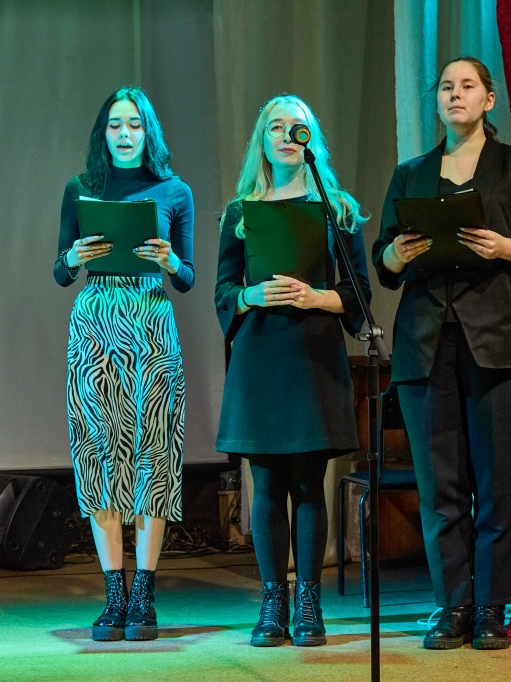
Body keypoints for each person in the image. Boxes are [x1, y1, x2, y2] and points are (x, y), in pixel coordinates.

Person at [372, 57, 511, 651]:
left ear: (489, 99)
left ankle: (490, 607)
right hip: (426, 342)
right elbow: (383, 259)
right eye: (447, 87)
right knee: (440, 487)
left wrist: (504, 246)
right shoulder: (411, 174)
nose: (455, 95)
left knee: (498, 483)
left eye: (467, 86)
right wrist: (398, 254)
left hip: (503, 342)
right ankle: (451, 604)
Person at [215, 94, 371, 647]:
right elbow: (223, 291)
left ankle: (308, 602)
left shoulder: (336, 208)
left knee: (308, 482)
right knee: (266, 483)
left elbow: (358, 293)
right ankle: (271, 603)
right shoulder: (240, 213)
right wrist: (251, 295)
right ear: (262, 140)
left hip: (312, 356)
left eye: (296, 128)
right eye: (275, 127)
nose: (285, 136)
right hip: (260, 358)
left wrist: (316, 297)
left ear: (311, 140)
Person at [53, 85, 194, 642]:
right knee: (99, 452)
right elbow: (61, 271)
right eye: (115, 124)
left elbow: (187, 278)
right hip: (96, 323)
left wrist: (171, 259)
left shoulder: (174, 190)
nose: (125, 134)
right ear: (103, 132)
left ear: (148, 131)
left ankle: (144, 594)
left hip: (150, 320)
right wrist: (73, 256)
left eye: (134, 124)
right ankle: (114, 593)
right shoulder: (81, 187)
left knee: (154, 452)